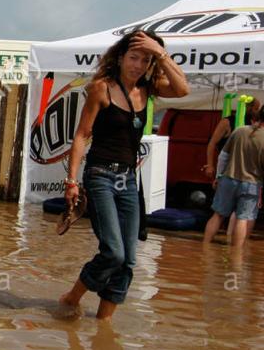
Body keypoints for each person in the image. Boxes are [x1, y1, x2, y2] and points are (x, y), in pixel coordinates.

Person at [59, 31, 189, 320]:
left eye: (145, 60)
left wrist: (161, 53)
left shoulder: (148, 88)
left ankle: (103, 324)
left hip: (129, 180)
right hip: (100, 176)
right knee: (114, 252)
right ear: (119, 58)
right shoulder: (101, 88)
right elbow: (82, 135)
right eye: (133, 57)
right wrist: (71, 181)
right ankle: (72, 296)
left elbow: (183, 90)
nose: (138, 65)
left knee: (129, 260)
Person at [202, 107, 264, 250]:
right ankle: (236, 254)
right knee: (243, 218)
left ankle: (204, 247)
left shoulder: (240, 130)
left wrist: (218, 176)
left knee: (217, 215)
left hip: (228, 179)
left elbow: (223, 156)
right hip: (251, 184)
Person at [203, 98, 261, 179]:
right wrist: (210, 165)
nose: (258, 111)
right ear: (248, 108)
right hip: (227, 168)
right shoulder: (227, 122)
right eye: (256, 109)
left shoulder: (253, 123)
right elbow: (212, 143)